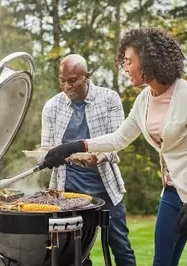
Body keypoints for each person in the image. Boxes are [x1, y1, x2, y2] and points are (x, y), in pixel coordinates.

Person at [42, 28, 187, 266]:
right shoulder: (144, 100)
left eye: (129, 61)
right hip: (172, 193)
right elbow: (118, 139)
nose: (125, 68)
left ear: (148, 60)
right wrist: (72, 147)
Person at [40, 54, 136, 266]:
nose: (66, 86)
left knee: (120, 246)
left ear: (86, 76)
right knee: (75, 251)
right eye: (62, 80)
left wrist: (100, 157)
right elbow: (47, 147)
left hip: (106, 188)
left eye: (72, 80)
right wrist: (45, 156)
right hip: (68, 191)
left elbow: (117, 142)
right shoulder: (52, 107)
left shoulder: (109, 99)